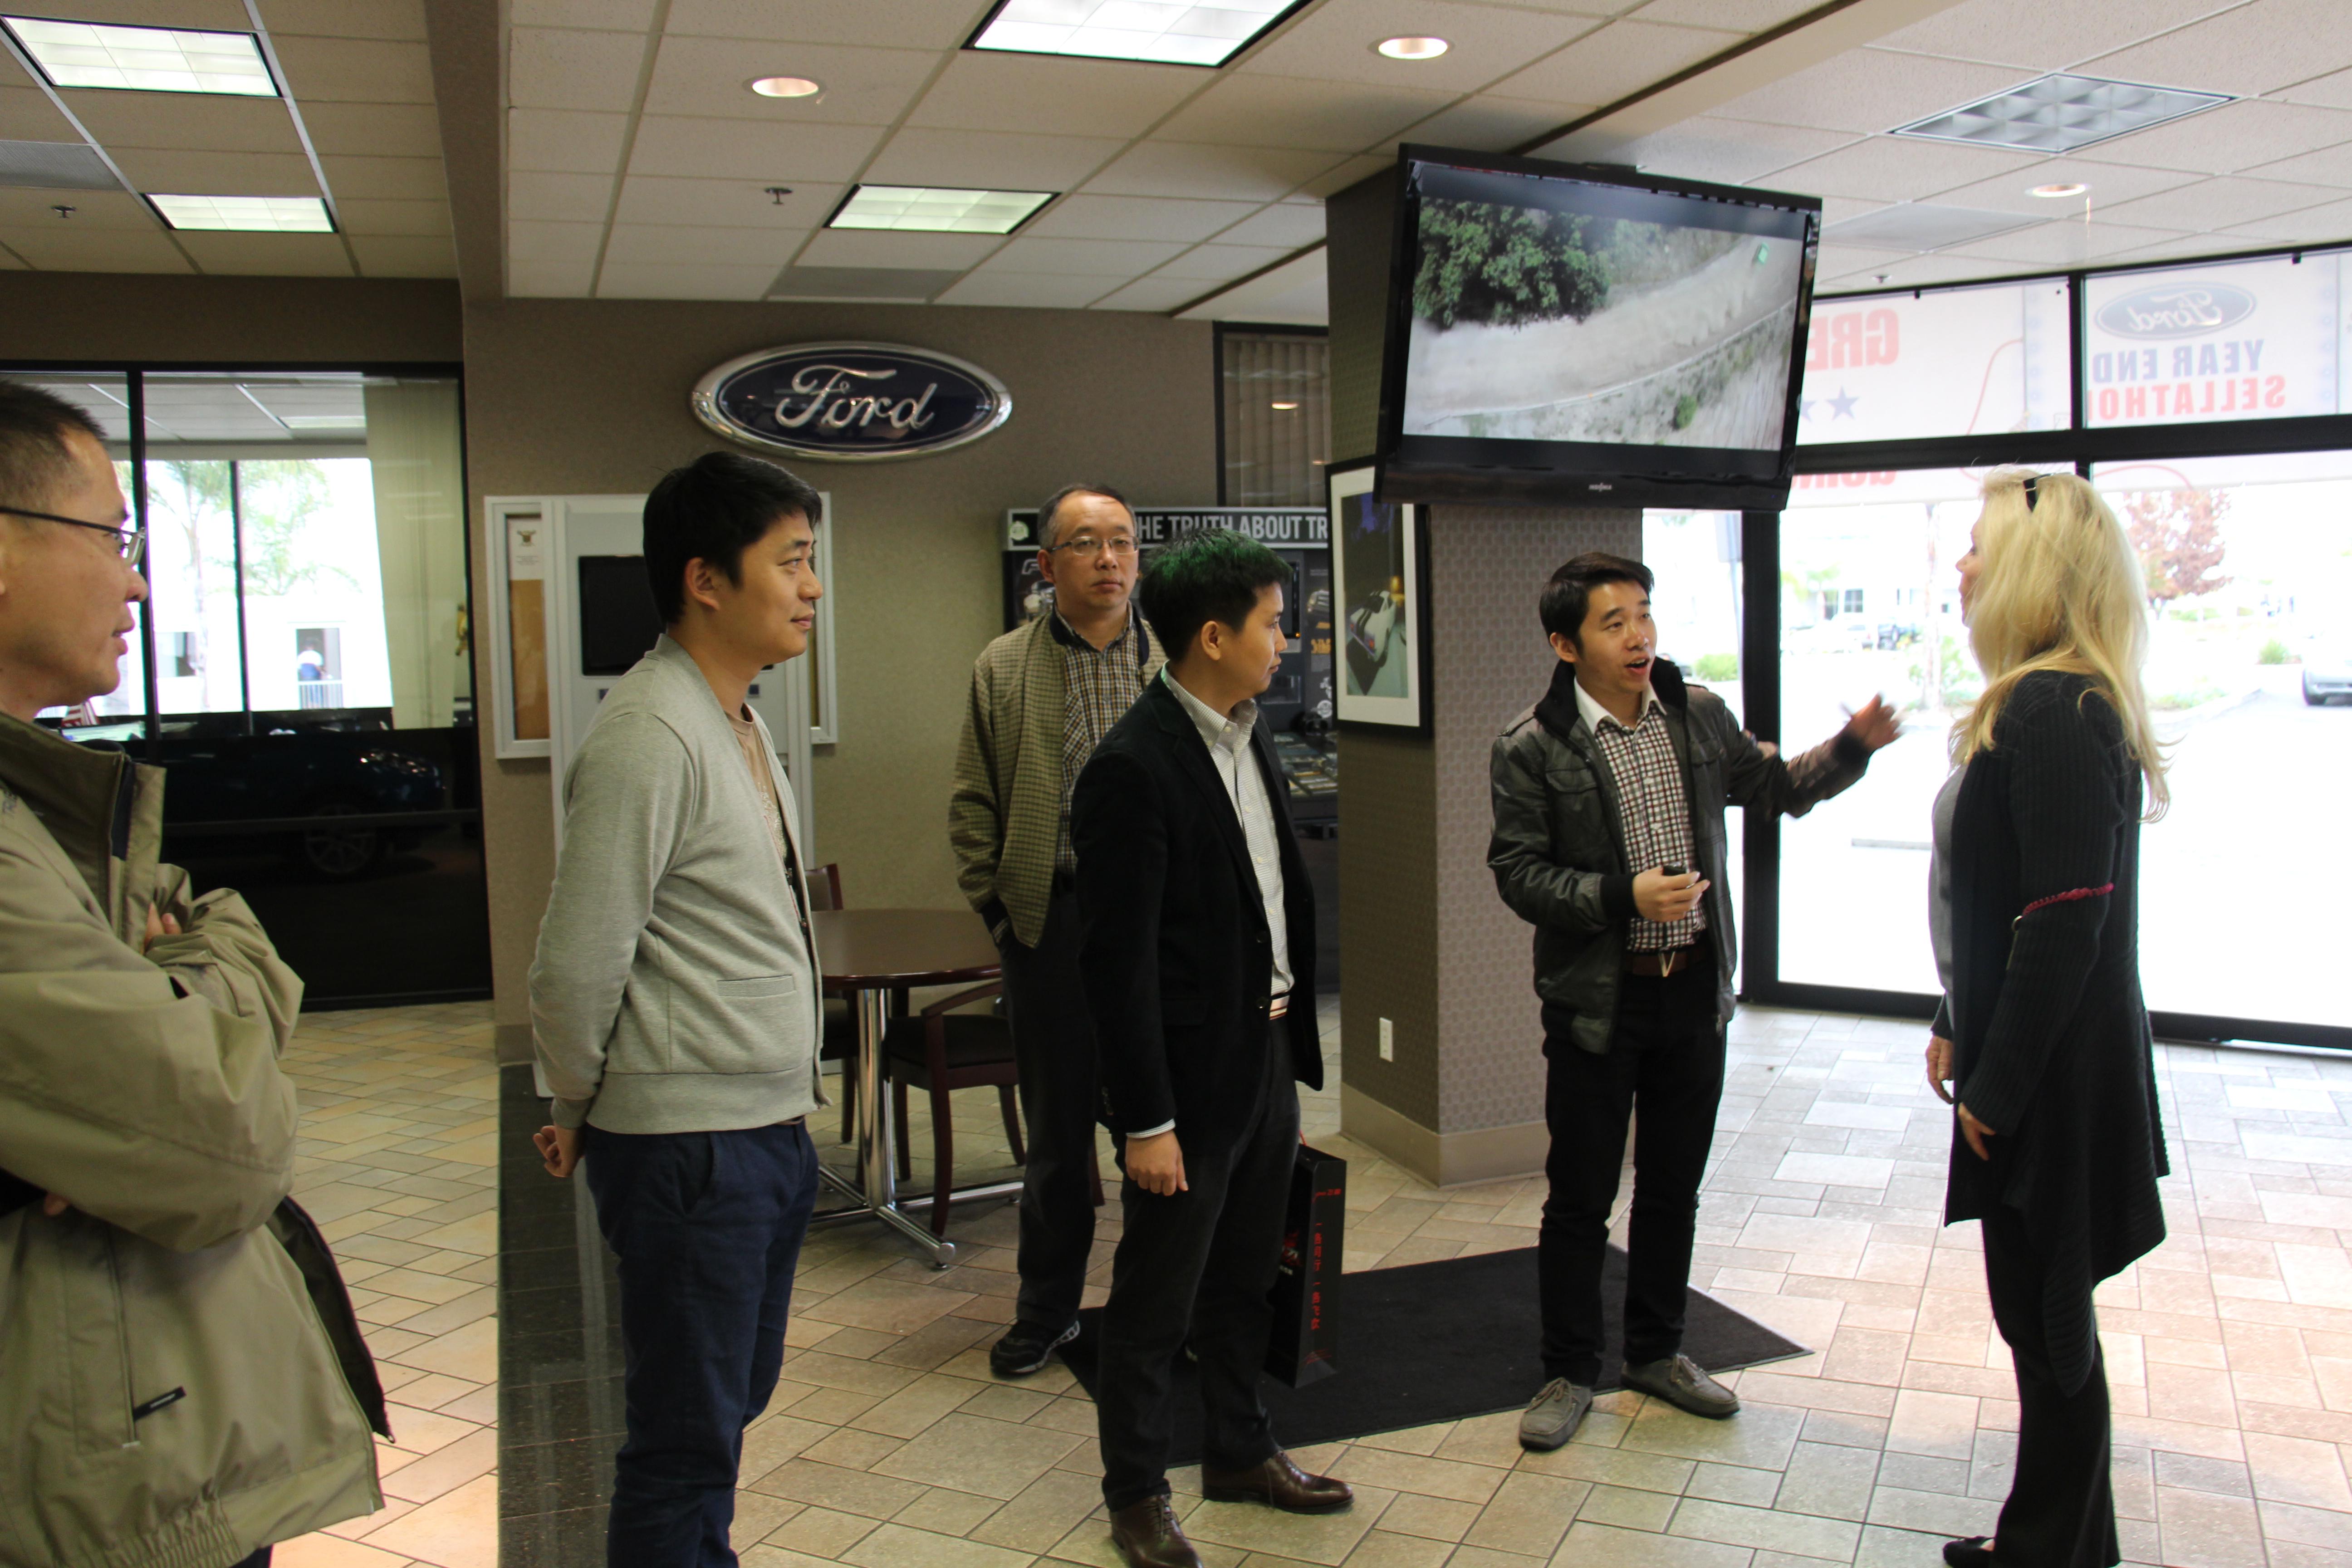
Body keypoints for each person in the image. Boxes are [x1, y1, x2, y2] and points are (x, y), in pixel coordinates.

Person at [0, 378, 385, 1567]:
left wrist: (162, 1000)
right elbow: (223, 1143)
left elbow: (186, 932)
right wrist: (187, 989)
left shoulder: (43, 808)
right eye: (112, 539)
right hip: (94, 1492)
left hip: (136, 1446)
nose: (136, 585)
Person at [1488, 551, 1900, 1451]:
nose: (1639, 636)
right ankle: (1568, 1371)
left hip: (1694, 997)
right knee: (1580, 1198)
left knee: (1673, 1190)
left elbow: (1776, 789)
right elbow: (1519, 876)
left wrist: (1852, 749)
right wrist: (1621, 897)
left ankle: (1656, 1352)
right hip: (1597, 1007)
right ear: (1566, 645)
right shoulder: (1531, 745)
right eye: (1614, 623)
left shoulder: (1697, 715)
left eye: (1643, 614)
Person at [529, 451, 829, 1567]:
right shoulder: (649, 733)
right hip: (691, 1143)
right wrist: (576, 1101)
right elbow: (577, 959)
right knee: (684, 1439)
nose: (811, 586)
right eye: (789, 562)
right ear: (706, 579)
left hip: (761, 1125)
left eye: (811, 560)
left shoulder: (732, 718)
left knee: (726, 1405)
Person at [1073, 529, 1349, 1568]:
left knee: (1245, 1282)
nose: (1287, 641)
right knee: (1157, 1302)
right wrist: (1145, 1120)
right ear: (1214, 637)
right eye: (1274, 624)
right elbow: (1117, 968)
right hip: (1184, 1087)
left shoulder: (1246, 731)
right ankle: (1136, 1494)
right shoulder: (1132, 768)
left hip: (1264, 1058)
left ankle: (1240, 1451)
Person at [1924, 470, 2169, 1568]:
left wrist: (2000, 1082)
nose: (1963, 565)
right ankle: (2067, 1544)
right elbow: (2006, 901)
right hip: (2047, 1060)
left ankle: (2048, 1553)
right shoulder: (2055, 699)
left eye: (1979, 546)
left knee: (2049, 1323)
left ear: (2030, 568)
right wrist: (1957, 1014)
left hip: (2054, 1079)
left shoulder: (2051, 707)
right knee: (2044, 1322)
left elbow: (2066, 923)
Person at [949, 484, 1163, 1377]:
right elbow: (972, 804)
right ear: (1046, 564)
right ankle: (1047, 1312)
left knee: (1161, 1126)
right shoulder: (1005, 666)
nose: (1108, 559)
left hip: (1162, 930)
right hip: (1054, 923)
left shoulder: (1180, 658)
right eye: (1084, 543)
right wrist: (1006, 914)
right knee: (1058, 1140)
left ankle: (1158, 1311)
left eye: (1122, 541)